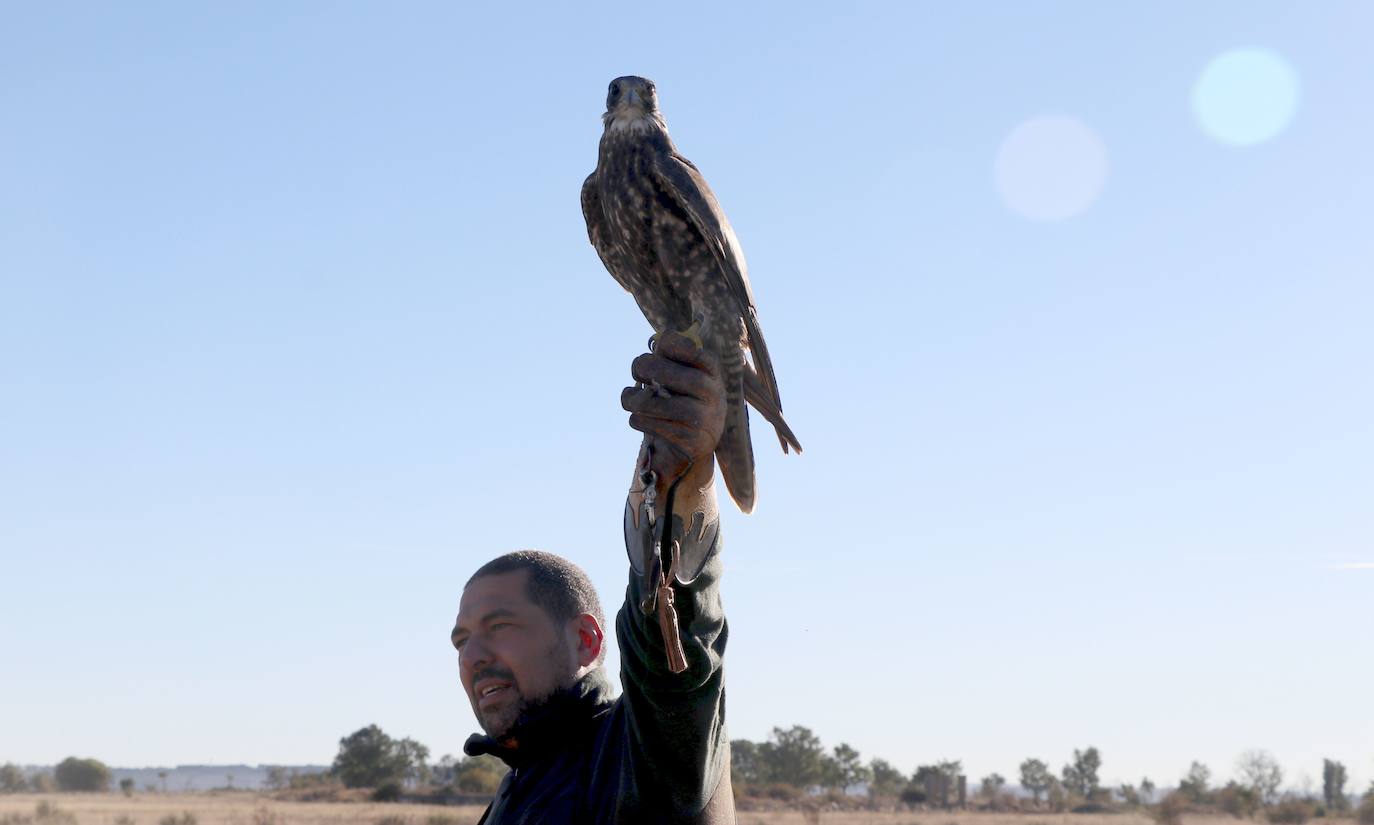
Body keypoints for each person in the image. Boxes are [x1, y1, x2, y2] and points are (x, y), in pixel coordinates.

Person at [451, 332, 735, 823]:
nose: (473, 658)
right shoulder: (520, 783)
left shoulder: (641, 755)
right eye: (461, 642)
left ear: (586, 640)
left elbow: (671, 652)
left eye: (500, 628)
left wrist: (673, 492)